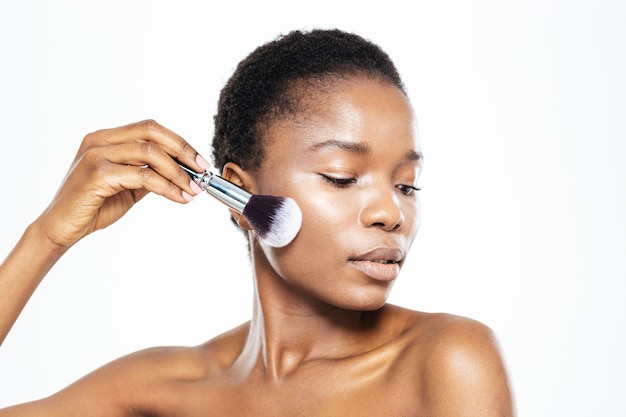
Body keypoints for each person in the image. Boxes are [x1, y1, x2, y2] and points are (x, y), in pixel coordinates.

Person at [0, 29, 515, 416]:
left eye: (407, 184)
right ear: (241, 195)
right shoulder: (165, 389)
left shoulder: (446, 360)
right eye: (341, 177)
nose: (390, 213)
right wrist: (46, 237)